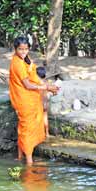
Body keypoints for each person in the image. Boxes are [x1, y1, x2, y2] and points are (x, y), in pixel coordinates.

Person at [9, 36, 59, 165]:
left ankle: (20, 156)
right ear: (15, 49)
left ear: (28, 49)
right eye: (20, 49)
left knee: (25, 127)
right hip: (23, 99)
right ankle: (29, 162)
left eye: (25, 49)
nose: (23, 52)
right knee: (27, 128)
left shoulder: (26, 59)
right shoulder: (17, 64)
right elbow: (27, 85)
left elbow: (33, 76)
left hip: (30, 98)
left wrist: (48, 87)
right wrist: (47, 87)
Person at [36, 66, 50, 137]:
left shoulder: (37, 83)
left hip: (40, 102)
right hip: (46, 102)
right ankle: (47, 133)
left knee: (37, 118)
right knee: (45, 117)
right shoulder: (46, 82)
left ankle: (39, 134)